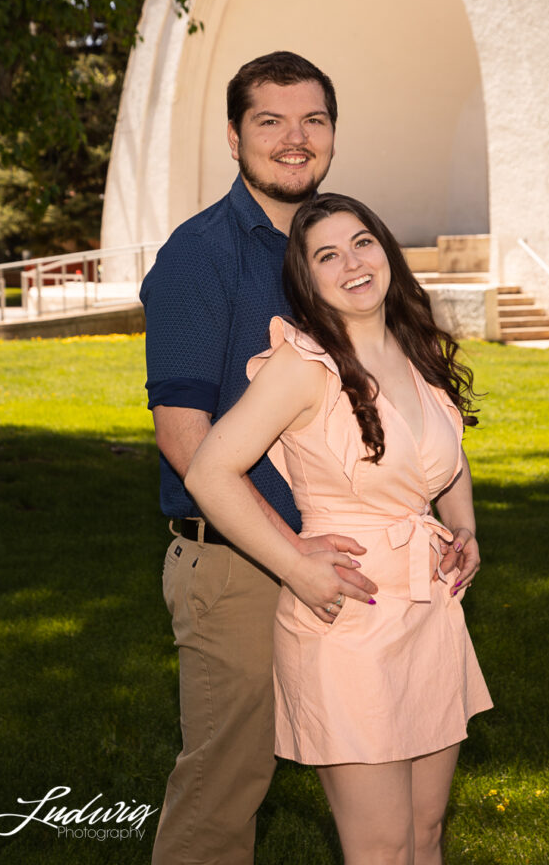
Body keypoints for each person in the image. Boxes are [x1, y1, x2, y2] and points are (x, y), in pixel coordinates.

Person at [186, 193, 493, 865]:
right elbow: (209, 472)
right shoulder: (303, 365)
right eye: (326, 255)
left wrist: (461, 525)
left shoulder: (414, 348)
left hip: (430, 612)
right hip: (349, 621)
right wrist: (295, 564)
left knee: (426, 830)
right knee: (381, 848)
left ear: (385, 250)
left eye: (361, 242)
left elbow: (448, 454)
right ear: (307, 278)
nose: (350, 263)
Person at [140, 52, 380, 865]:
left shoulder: (336, 250)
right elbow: (184, 437)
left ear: (333, 134)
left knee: (371, 764)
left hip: (337, 548)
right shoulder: (198, 256)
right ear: (235, 136)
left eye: (312, 119)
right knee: (224, 791)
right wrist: (291, 555)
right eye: (270, 121)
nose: (293, 138)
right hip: (239, 564)